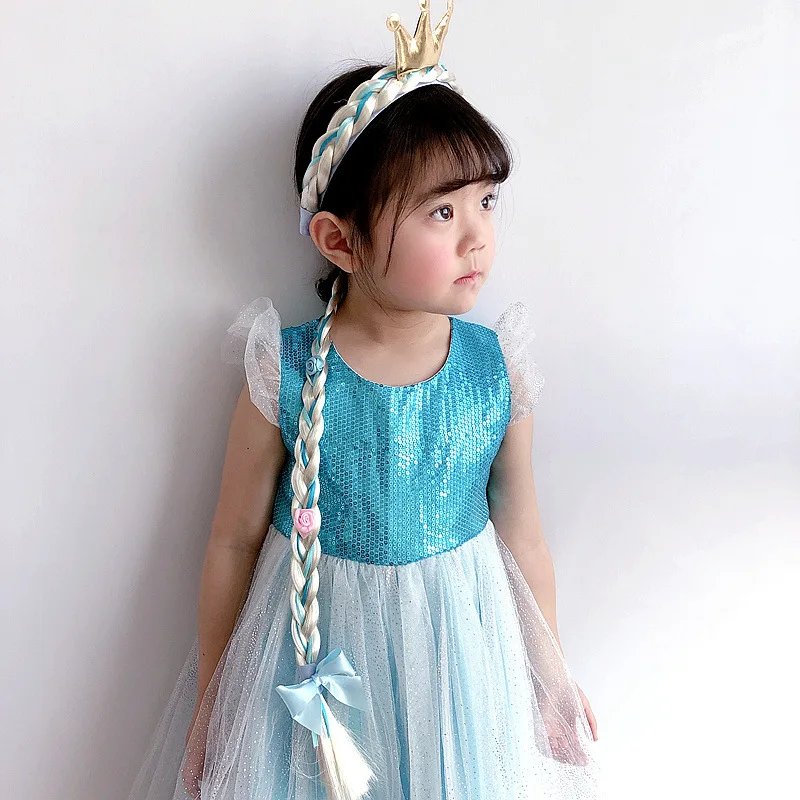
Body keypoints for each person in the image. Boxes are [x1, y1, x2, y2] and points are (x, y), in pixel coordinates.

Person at [127, 3, 600, 798]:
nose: (477, 236)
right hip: (311, 657)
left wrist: (550, 676)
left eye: (486, 201)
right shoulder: (282, 372)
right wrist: (214, 699)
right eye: (441, 212)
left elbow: (523, 534)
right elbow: (234, 542)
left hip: (455, 658)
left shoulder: (495, 371)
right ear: (338, 240)